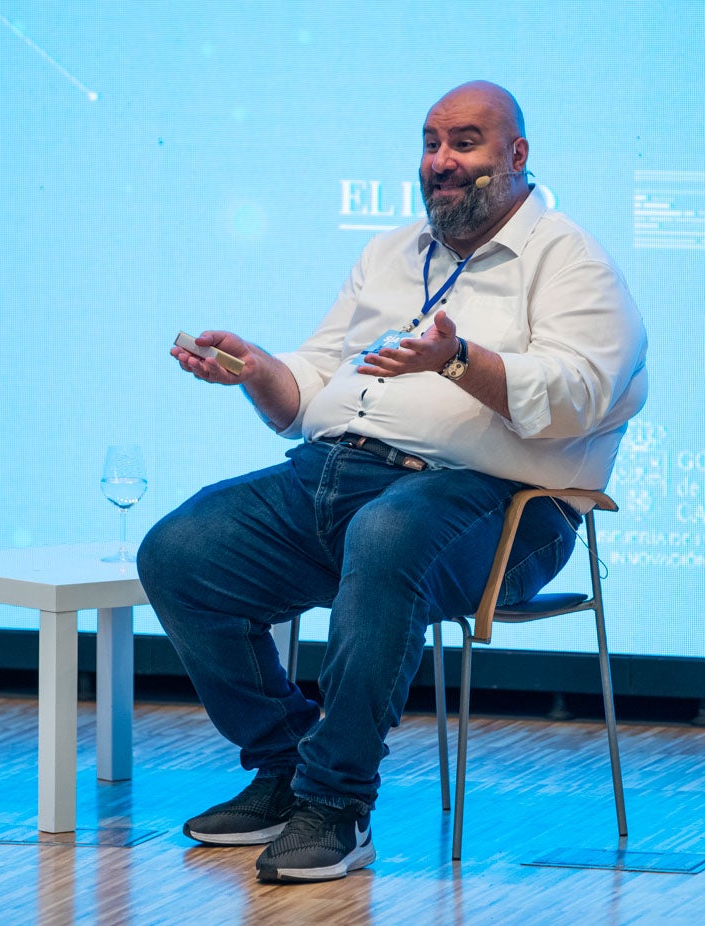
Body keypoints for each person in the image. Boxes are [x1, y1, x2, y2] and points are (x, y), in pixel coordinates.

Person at [137, 80, 648, 884]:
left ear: (516, 157)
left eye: (466, 143)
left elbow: (582, 394)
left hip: (498, 506)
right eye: (431, 142)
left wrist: (456, 359)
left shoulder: (569, 261)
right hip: (340, 474)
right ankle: (284, 768)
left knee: (388, 536)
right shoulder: (391, 251)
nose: (442, 162)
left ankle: (335, 806)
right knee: (179, 550)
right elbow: (311, 387)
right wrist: (259, 370)